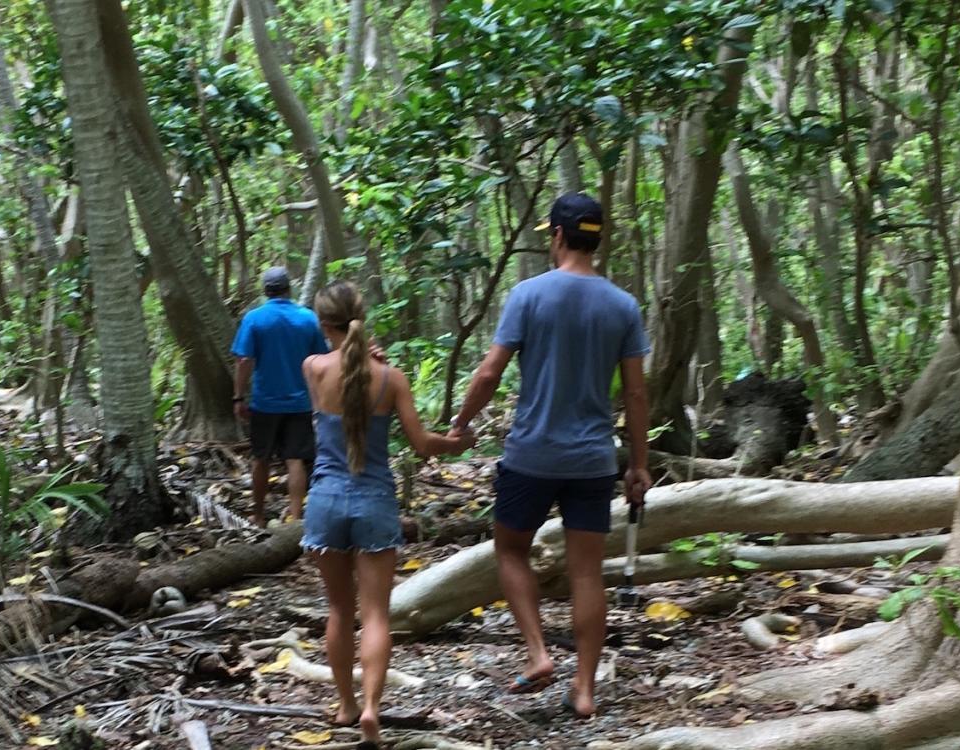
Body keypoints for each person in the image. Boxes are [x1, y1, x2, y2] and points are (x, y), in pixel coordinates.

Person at [448, 192, 653, 718]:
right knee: (587, 573)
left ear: (557, 236)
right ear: (597, 238)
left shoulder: (528, 295)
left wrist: (464, 421)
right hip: (592, 460)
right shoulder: (623, 306)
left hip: (531, 455)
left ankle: (539, 654)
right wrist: (639, 463)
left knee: (511, 550)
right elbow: (634, 394)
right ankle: (584, 690)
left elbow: (490, 371)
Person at [303, 281, 475, 747]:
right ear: (363, 317)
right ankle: (373, 710)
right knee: (375, 614)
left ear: (324, 325)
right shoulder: (390, 378)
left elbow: (335, 379)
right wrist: (457, 443)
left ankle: (345, 705)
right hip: (375, 500)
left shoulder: (313, 368)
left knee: (339, 609)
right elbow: (423, 445)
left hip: (324, 500)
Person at [233, 268, 330, 525]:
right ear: (289, 289)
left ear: (266, 291)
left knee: (260, 457)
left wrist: (238, 396)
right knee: (295, 459)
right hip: (300, 402)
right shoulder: (308, 318)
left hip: (265, 402)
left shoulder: (254, 318)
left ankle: (258, 514)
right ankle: (296, 517)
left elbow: (244, 359)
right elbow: (321, 359)